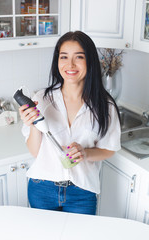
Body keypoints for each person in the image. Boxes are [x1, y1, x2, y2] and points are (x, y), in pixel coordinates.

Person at [19, 31, 121, 215]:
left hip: (82, 191)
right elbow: (35, 152)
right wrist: (34, 125)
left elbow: (109, 148)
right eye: (64, 57)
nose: (70, 64)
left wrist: (85, 153)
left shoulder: (105, 105)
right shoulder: (41, 99)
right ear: (57, 61)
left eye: (79, 57)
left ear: (89, 61)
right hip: (42, 188)